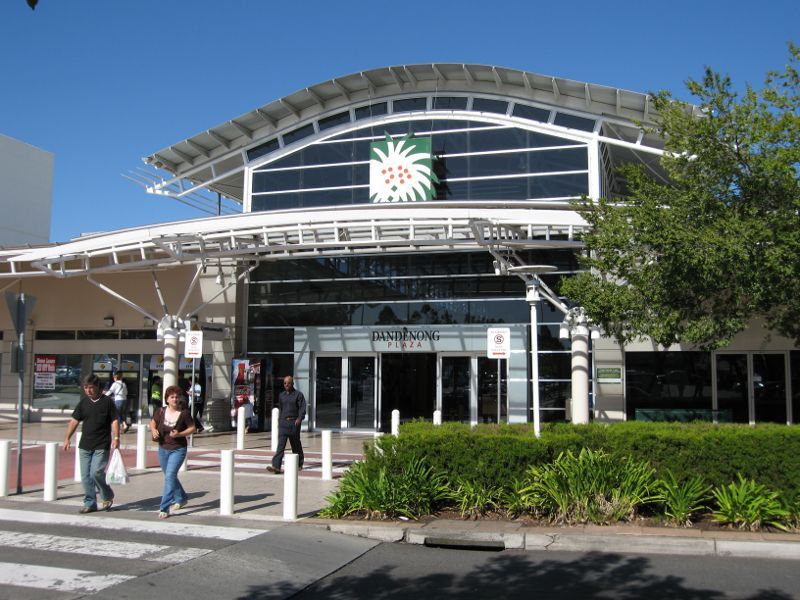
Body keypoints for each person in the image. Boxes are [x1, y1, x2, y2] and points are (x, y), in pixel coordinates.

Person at [63, 374, 120, 513]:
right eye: (85, 388)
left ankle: (107, 495)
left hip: (102, 444)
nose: (88, 390)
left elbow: (114, 420)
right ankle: (90, 502)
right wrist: (67, 438)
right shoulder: (83, 403)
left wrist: (116, 437)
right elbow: (74, 421)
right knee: (85, 476)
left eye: (91, 387)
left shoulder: (107, 402)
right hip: (85, 445)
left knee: (96, 472)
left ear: (98, 387)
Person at [150, 385, 196, 519]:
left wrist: (180, 434)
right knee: (170, 476)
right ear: (167, 399)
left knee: (170, 476)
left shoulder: (184, 413)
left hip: (178, 449)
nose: (175, 399)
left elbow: (193, 428)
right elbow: (152, 422)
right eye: (172, 397)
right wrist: (153, 430)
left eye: (177, 396)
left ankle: (164, 507)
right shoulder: (160, 411)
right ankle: (181, 498)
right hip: (163, 448)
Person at [267, 375, 306, 474]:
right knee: (280, 446)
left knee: (295, 444)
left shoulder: (298, 395)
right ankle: (276, 466)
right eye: (285, 383)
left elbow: (302, 408)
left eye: (288, 383)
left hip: (294, 423)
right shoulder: (282, 395)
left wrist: (300, 418)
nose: (286, 385)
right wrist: (280, 421)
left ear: (292, 383)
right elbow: (281, 408)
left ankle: (299, 464)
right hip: (284, 423)